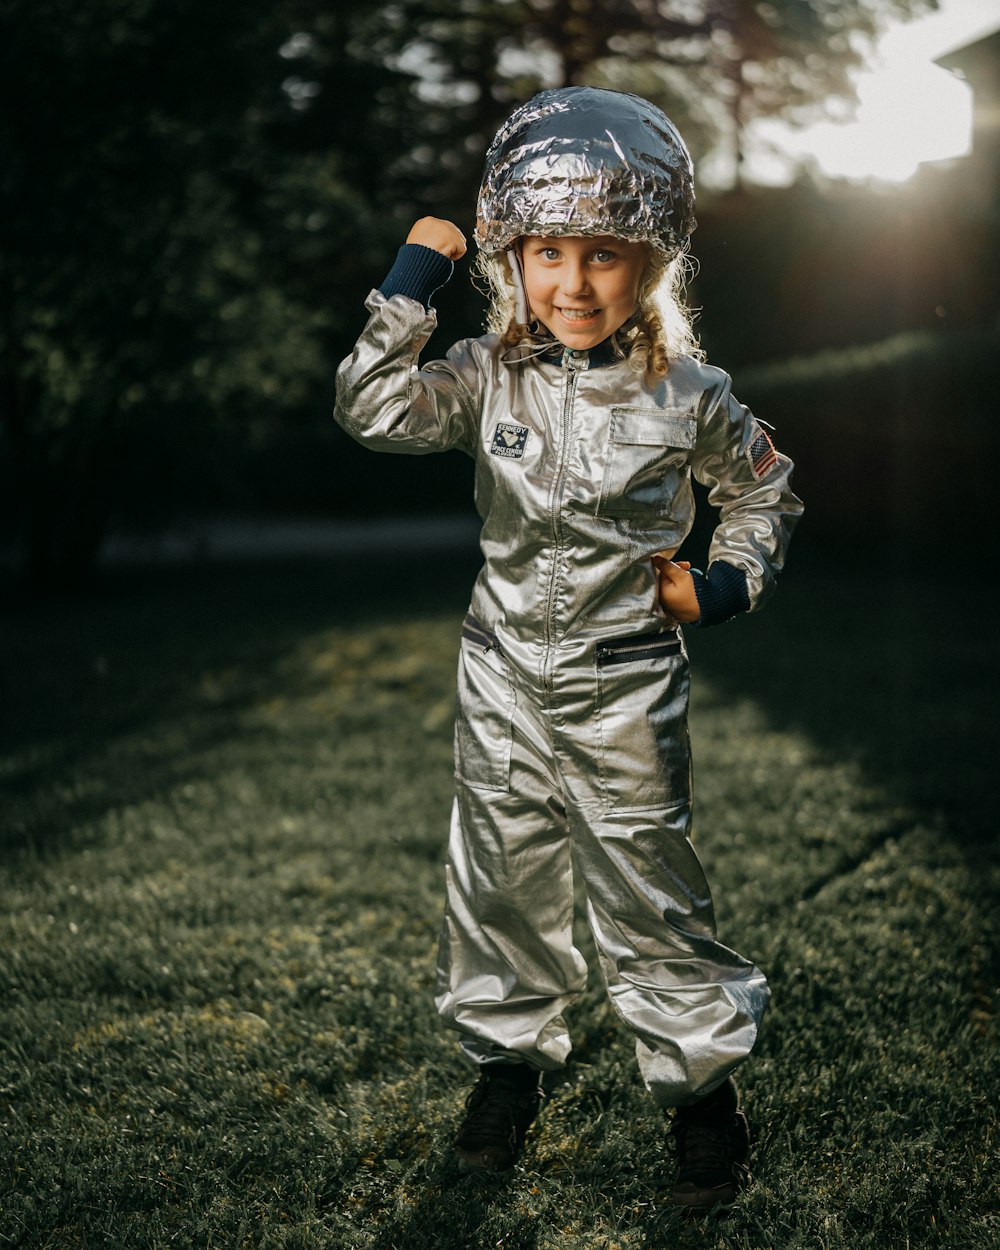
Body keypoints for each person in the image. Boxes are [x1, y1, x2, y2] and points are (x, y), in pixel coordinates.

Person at [334, 86, 803, 1212]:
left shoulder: (688, 393)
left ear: (650, 265)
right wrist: (410, 279)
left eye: (604, 254)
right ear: (511, 258)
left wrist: (728, 580)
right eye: (549, 252)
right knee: (498, 882)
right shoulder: (485, 374)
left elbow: (765, 490)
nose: (574, 282)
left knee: (648, 893)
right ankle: (504, 1075)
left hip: (623, 683)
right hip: (499, 673)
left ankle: (702, 1110)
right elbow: (371, 409)